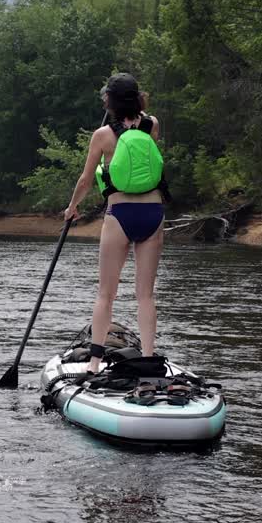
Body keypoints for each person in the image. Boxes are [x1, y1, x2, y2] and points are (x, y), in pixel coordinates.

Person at [63, 73, 165, 374]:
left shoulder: (103, 135)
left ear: (112, 100)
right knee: (145, 294)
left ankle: (94, 362)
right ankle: (148, 358)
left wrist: (72, 207)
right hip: (153, 213)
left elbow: (86, 179)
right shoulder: (152, 125)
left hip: (119, 215)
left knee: (106, 293)